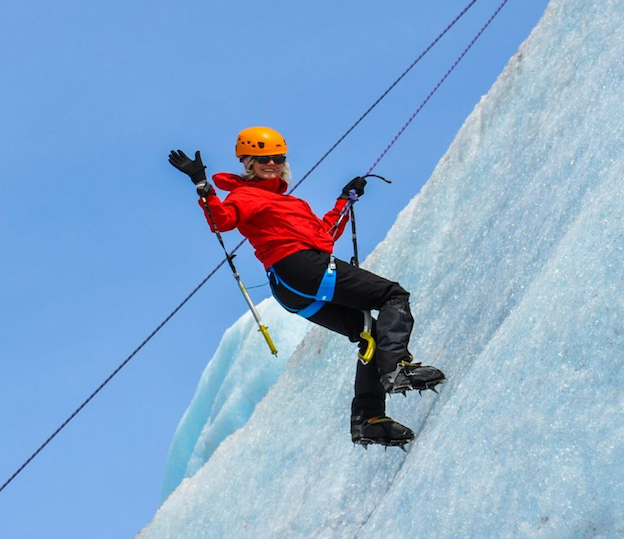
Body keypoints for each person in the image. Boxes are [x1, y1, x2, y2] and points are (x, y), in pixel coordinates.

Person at [169, 126, 445, 448]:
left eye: (277, 157)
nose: (271, 163)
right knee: (392, 295)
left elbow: (324, 237)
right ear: (247, 163)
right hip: (300, 268)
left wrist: (345, 199)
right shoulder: (245, 196)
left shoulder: (290, 203)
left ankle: (369, 419)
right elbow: (222, 221)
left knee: (368, 329)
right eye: (261, 159)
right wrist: (202, 185)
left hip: (292, 288)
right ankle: (397, 368)